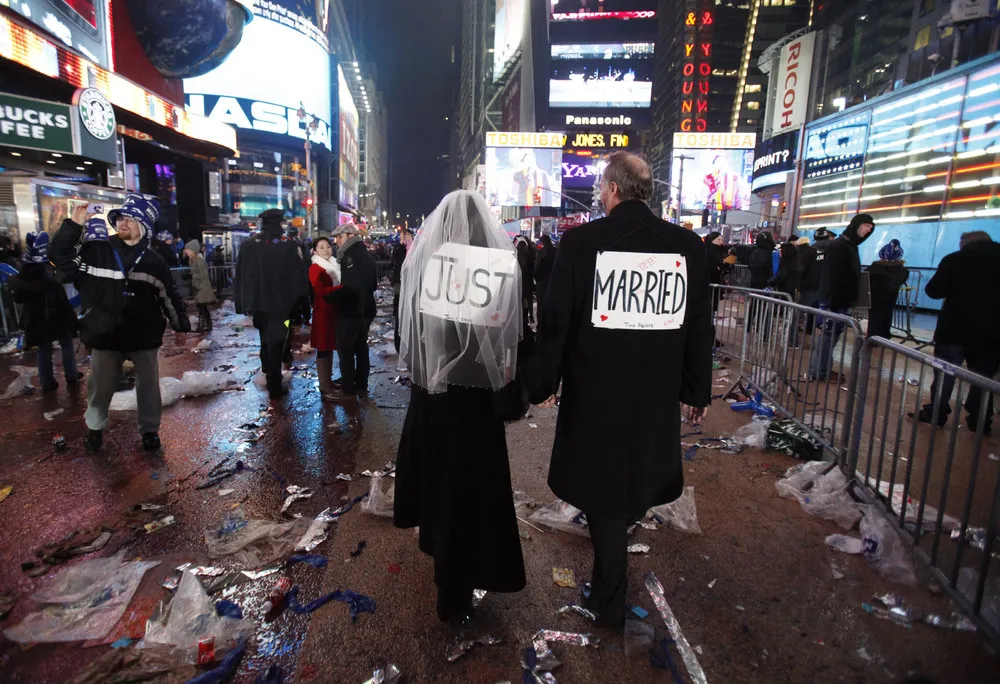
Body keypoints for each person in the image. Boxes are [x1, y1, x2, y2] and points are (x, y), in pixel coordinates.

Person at [524, 152, 713, 628]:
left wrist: (543, 381)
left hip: (597, 391)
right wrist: (697, 388)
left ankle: (609, 594)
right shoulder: (686, 245)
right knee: (629, 485)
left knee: (605, 490)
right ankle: (610, 577)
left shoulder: (582, 242)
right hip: (654, 393)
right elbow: (698, 326)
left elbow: (556, 321)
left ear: (610, 190)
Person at [394, 189, 526, 622]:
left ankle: (447, 581)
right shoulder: (499, 268)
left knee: (442, 490)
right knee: (475, 493)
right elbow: (510, 341)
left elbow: (408, 340)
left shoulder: (424, 265)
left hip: (434, 400)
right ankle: (467, 576)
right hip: (477, 405)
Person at [50, 195, 190, 453]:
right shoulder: (97, 251)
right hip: (105, 334)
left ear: (144, 225)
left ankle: (149, 431)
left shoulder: (154, 261)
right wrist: (74, 226)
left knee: (148, 387)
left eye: (130, 218)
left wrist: (181, 324)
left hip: (143, 335)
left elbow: (167, 294)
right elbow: (60, 257)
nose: (122, 222)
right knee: (100, 387)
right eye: (120, 218)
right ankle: (94, 429)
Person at [910, 231, 1000, 435]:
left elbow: (933, 291)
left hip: (954, 330)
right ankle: (980, 421)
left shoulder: (954, 260)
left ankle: (936, 415)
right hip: (993, 335)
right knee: (983, 379)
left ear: (964, 244)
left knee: (945, 374)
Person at [234, 209, 309, 400]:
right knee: (277, 341)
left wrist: (242, 303)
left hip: (258, 305)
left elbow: (241, 275)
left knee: (265, 337)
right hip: (282, 306)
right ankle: (274, 383)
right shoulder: (288, 245)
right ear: (280, 223)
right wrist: (302, 306)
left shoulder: (249, 244)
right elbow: (298, 277)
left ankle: (268, 369)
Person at [8, 232, 83, 392]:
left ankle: (47, 382)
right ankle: (71, 375)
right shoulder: (51, 271)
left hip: (37, 319)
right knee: (67, 345)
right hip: (58, 316)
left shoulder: (23, 275)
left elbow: (19, 299)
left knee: (44, 350)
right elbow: (60, 293)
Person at [806, 214, 874, 381]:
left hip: (839, 300)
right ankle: (820, 371)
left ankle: (822, 368)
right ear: (856, 225)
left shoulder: (848, 246)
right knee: (829, 337)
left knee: (831, 337)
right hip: (834, 301)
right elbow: (832, 276)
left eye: (871, 228)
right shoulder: (840, 246)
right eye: (866, 226)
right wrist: (831, 302)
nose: (868, 230)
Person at [332, 223, 377, 397]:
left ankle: (348, 388)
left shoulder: (349, 255)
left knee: (346, 350)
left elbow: (350, 287)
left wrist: (334, 296)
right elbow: (372, 284)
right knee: (360, 348)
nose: (337, 242)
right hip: (365, 308)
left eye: (339, 237)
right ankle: (361, 383)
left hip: (352, 310)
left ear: (349, 236)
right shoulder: (364, 253)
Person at [308, 237, 342, 399]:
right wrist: (341, 289)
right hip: (323, 312)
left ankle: (328, 381)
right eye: (321, 247)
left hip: (332, 311)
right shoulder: (316, 268)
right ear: (315, 251)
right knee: (323, 348)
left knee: (328, 347)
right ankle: (324, 385)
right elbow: (320, 290)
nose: (327, 250)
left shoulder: (333, 265)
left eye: (328, 246)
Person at [865, 239, 909, 339]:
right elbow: (902, 279)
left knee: (875, 317)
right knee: (887, 316)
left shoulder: (874, 268)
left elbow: (864, 278)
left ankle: (873, 337)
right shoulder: (902, 271)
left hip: (874, 297)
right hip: (891, 298)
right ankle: (884, 336)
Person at [184, 240, 216, 332]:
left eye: (187, 249)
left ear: (193, 250)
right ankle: (208, 325)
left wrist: (191, 275)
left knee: (201, 306)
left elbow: (203, 275)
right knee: (202, 307)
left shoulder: (199, 260)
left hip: (203, 287)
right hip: (198, 287)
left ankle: (201, 327)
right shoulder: (192, 260)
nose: (186, 251)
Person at [390, 230, 413, 354]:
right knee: (400, 312)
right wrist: (402, 245)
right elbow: (395, 259)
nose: (406, 238)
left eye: (408, 235)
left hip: (411, 283)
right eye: (403, 236)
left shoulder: (415, 248)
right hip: (399, 282)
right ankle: (399, 343)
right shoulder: (399, 249)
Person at [534, 234, 557, 330]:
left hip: (542, 282)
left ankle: (541, 323)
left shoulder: (541, 252)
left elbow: (537, 268)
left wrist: (536, 278)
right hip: (553, 282)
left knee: (541, 304)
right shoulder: (556, 251)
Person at [516, 239, 533, 330]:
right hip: (525, 281)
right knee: (525, 299)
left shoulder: (517, 257)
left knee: (522, 299)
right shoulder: (526, 257)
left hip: (523, 281)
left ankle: (526, 316)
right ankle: (528, 316)